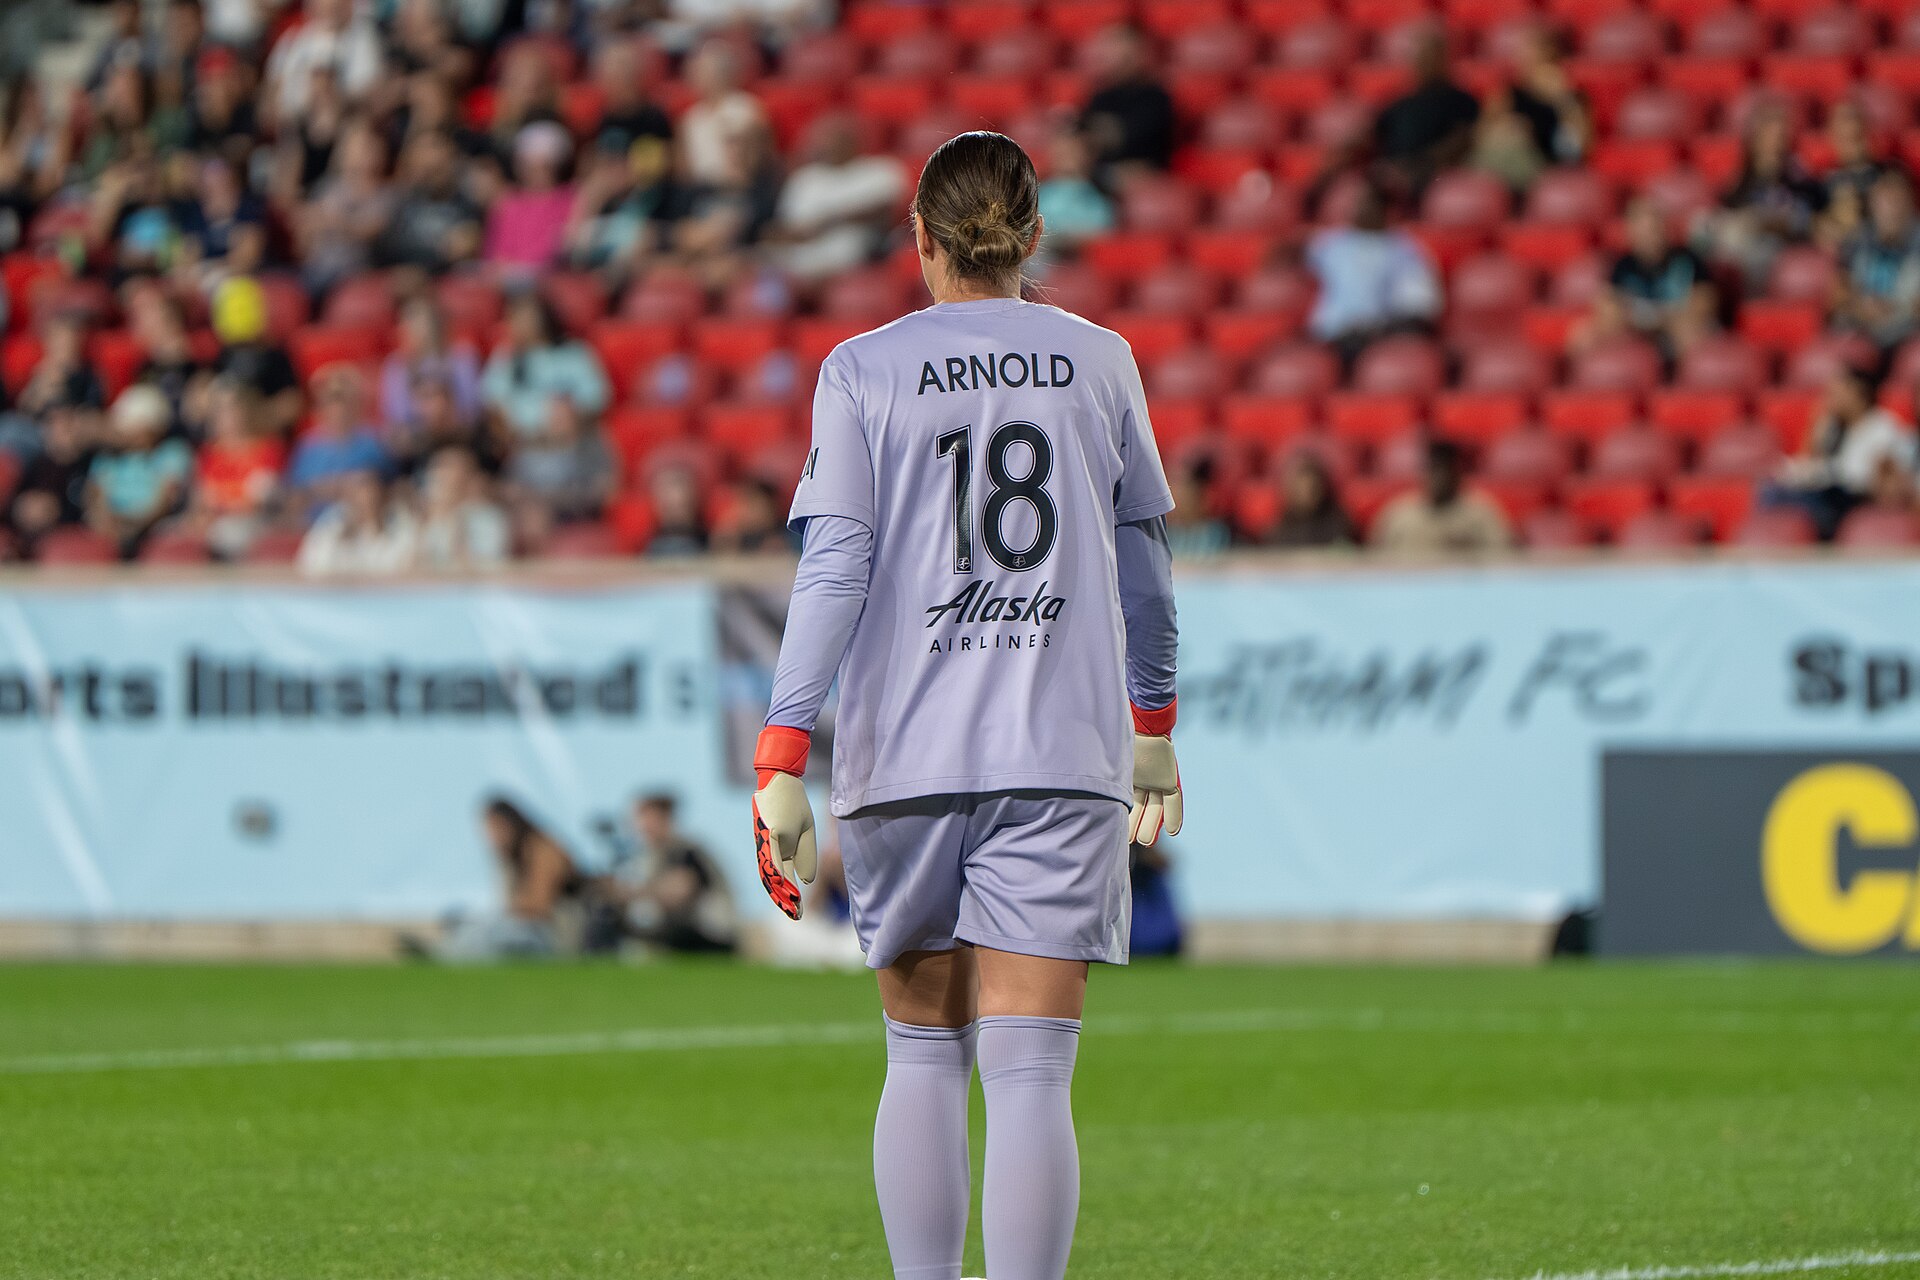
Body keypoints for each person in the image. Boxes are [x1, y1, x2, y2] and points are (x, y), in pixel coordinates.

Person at [749, 131, 1182, 1280]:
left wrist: (782, 750)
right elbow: (1146, 564)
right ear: (1032, 236)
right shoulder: (1100, 358)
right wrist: (1154, 727)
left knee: (921, 1055)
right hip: (1060, 752)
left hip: (905, 757)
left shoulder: (862, 366)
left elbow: (833, 565)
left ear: (922, 241)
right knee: (1033, 1069)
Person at [420, 796, 589, 960]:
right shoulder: (510, 857)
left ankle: (444, 955)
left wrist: (505, 915)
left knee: (492, 932)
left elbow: (538, 907)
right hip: (525, 926)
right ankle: (443, 951)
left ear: (512, 824)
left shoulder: (543, 850)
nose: (492, 837)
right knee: (465, 922)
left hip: (556, 934)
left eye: (496, 828)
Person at [1762, 362, 1917, 540]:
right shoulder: (1836, 427)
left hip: (1854, 500)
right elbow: (1811, 461)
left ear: (1858, 393)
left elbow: (1867, 480)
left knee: (1784, 498)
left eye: (1836, 392)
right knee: (1773, 490)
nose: (1830, 398)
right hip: (1829, 492)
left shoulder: (1884, 427)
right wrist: (1818, 426)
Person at [1304, 180, 1442, 363]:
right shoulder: (1329, 243)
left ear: (1391, 210)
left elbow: (1419, 305)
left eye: (1372, 202)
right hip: (1327, 339)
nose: (1363, 208)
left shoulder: (1405, 249)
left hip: (1375, 342)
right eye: (1360, 202)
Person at [766, 113, 905, 284]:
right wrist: (794, 234)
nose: (825, 146)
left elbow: (889, 211)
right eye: (821, 140)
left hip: (852, 252)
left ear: (852, 142)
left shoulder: (880, 170)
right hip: (799, 253)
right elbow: (783, 226)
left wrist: (830, 221)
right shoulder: (804, 178)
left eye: (833, 139)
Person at [1573, 197, 1716, 359]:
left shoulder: (1688, 261)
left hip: (1675, 328)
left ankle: (1685, 381)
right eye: (1643, 230)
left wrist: (1663, 320)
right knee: (1584, 335)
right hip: (1638, 331)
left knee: (1688, 332)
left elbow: (1704, 302)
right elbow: (1608, 304)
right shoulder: (1622, 266)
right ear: (1631, 232)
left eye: (1654, 228)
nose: (1650, 236)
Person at [1708, 100, 1824, 292]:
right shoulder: (1741, 178)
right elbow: (1726, 211)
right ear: (1756, 139)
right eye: (1771, 135)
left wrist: (1768, 222)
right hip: (1739, 242)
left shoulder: (1798, 177)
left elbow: (1805, 219)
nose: (1777, 142)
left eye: (1782, 136)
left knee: (1760, 252)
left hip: (1776, 246)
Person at [602, 792, 737, 954]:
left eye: (648, 818)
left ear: (665, 818)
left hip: (710, 933)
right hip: (677, 934)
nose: (642, 826)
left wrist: (632, 894)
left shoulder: (687, 850)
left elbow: (679, 891)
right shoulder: (647, 855)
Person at [1368, 27, 1480, 202]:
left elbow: (1464, 138)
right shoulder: (1399, 103)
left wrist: (1422, 162)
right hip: (1394, 169)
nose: (1425, 62)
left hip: (1435, 173)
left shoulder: (1462, 101)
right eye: (1421, 56)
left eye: (1432, 56)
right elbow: (1375, 136)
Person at [481, 292, 610, 445]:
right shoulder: (506, 356)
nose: (519, 325)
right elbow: (492, 400)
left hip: (572, 441)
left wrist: (567, 416)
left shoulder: (574, 353)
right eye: (514, 318)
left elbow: (597, 397)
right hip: (521, 445)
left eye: (526, 318)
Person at [1473, 24, 1588, 192]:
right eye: (1522, 51)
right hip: (1502, 163)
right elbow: (1481, 134)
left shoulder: (1570, 96)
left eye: (1531, 50)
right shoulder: (1507, 95)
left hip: (1543, 168)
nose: (1524, 57)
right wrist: (1506, 127)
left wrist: (1564, 99)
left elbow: (1579, 147)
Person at [85, 384, 194, 559]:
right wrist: (109, 523)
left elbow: (166, 499)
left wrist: (135, 528)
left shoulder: (172, 453)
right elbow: (95, 498)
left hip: (155, 528)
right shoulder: (108, 458)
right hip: (113, 529)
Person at [1373, 438, 1512, 555]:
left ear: (1457, 473)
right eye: (1434, 470)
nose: (1440, 478)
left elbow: (1506, 559)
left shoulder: (1481, 513)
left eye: (1446, 470)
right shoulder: (1400, 513)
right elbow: (1373, 560)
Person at [1834, 170, 1920, 353]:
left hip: (1908, 334)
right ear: (1873, 206)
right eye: (1885, 203)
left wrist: (1900, 309)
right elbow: (1838, 294)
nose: (1891, 211)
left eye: (1897, 202)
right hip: (1863, 329)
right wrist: (1860, 307)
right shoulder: (1858, 241)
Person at [1078, 25, 1175, 182]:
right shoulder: (1100, 97)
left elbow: (1132, 139)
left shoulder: (1155, 97)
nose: (1114, 58)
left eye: (1124, 53)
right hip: (1098, 174)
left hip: (1140, 179)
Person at [296, 467, 419, 574]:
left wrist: (375, 533)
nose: (365, 501)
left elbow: (404, 567)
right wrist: (340, 542)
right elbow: (311, 565)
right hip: (340, 595)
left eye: (371, 493)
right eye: (357, 494)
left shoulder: (400, 523)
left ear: (383, 495)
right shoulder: (334, 522)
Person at [415, 444, 510, 570]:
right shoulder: (424, 514)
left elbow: (485, 564)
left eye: (447, 467)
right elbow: (408, 563)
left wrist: (455, 519)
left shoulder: (487, 518)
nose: (439, 474)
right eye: (437, 467)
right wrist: (424, 522)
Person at [1270, 451, 1359, 549]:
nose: (1306, 494)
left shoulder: (1339, 527)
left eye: (1311, 488)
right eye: (1300, 489)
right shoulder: (1278, 531)